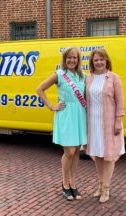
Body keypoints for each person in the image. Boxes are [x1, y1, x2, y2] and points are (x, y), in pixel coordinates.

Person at [36, 47, 87, 201]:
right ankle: (65, 184)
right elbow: (40, 89)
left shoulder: (83, 76)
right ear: (65, 59)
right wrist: (51, 106)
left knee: (77, 151)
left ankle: (73, 184)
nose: (72, 60)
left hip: (79, 115)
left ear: (78, 60)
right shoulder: (59, 75)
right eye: (69, 58)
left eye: (75, 58)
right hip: (65, 115)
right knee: (69, 152)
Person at [85, 48, 125, 203]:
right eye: (96, 60)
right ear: (92, 62)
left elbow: (120, 101)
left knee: (108, 156)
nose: (99, 62)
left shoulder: (114, 78)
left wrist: (118, 121)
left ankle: (106, 189)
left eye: (102, 59)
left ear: (107, 61)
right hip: (93, 122)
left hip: (109, 122)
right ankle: (100, 185)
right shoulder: (88, 78)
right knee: (97, 155)